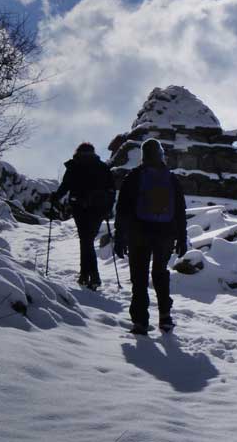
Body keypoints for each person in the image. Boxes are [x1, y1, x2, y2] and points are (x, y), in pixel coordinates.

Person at [114, 139, 188, 335]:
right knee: (160, 273)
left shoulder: (134, 177)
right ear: (161, 155)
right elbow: (180, 210)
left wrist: (119, 237)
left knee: (139, 277)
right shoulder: (171, 179)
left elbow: (122, 209)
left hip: (139, 233)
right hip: (165, 234)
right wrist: (182, 237)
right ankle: (165, 317)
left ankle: (140, 322)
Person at [49, 142, 115, 290]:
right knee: (88, 240)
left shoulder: (74, 166)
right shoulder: (103, 167)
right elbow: (111, 190)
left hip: (79, 208)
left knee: (85, 240)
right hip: (98, 209)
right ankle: (88, 274)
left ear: (77, 152)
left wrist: (55, 197)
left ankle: (89, 274)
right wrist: (108, 209)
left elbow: (65, 186)